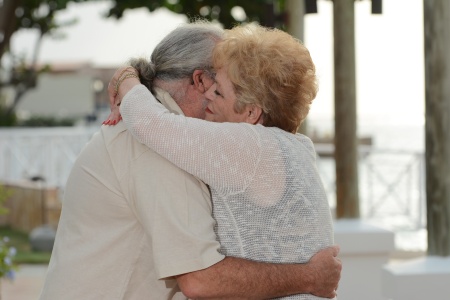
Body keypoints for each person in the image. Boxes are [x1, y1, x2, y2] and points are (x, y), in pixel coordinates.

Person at [40, 22, 341, 300]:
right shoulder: (295, 146)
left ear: (251, 111)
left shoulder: (228, 144)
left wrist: (127, 76)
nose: (211, 97)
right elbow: (201, 280)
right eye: (213, 87)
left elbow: (151, 123)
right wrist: (308, 276)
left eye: (220, 90)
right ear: (198, 79)